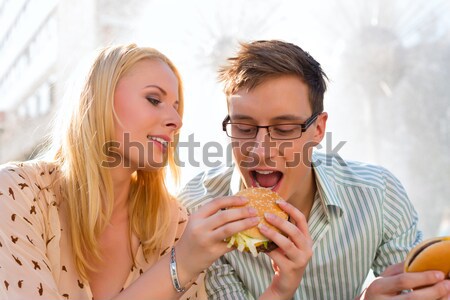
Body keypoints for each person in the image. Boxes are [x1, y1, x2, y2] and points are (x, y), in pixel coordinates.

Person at [178, 40, 450, 299]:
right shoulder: (197, 212)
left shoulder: (378, 196)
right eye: (244, 129)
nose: (260, 150)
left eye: (284, 130)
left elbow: (416, 286)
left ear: (318, 129)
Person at [0, 44, 260, 300]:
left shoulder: (174, 223)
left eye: (176, 106)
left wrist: (281, 287)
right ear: (98, 99)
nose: (177, 121)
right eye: (154, 99)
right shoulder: (16, 193)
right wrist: (179, 266)